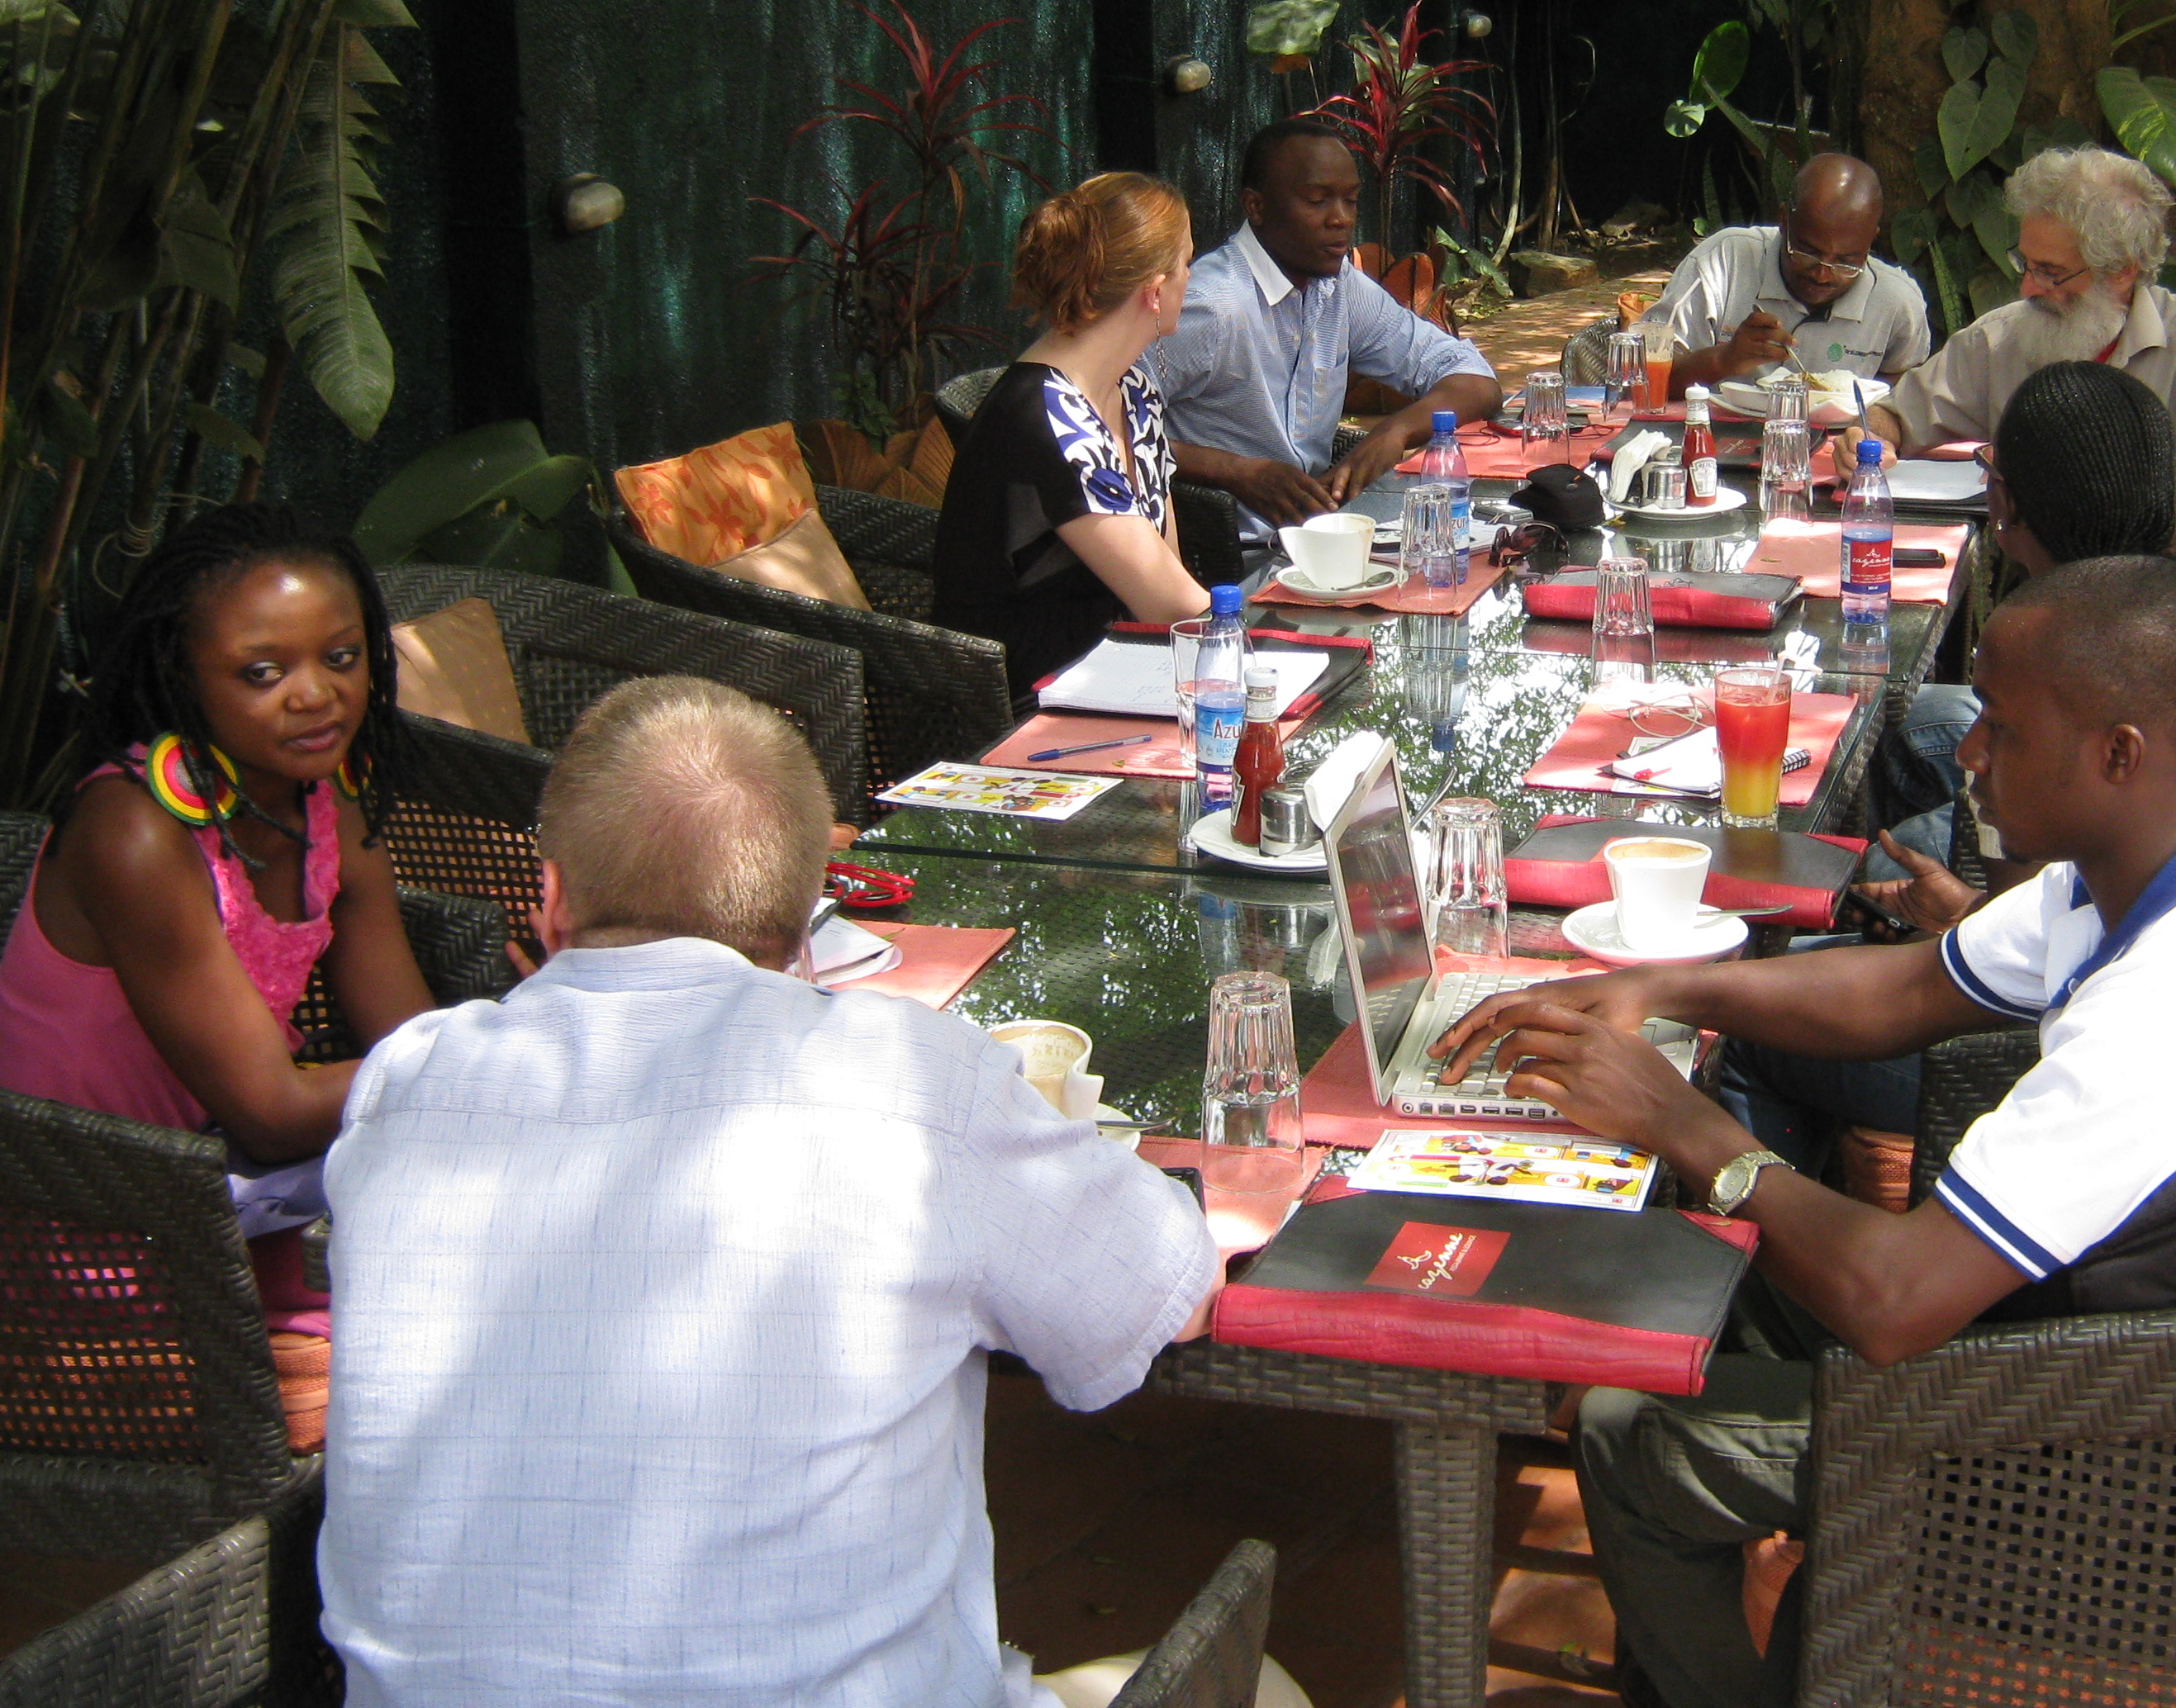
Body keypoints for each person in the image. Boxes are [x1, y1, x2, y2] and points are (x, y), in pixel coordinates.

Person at [1431, 561, 2176, 1708]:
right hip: (2142, 1321)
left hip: (2171, 1452)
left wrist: (1674, 1116)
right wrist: (1658, 988)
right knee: (1703, 1277)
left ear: (2119, 753)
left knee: (1631, 1435)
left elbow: (1892, 1302)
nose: (1970, 753)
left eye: (2003, 727)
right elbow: (1908, 989)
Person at [320, 676, 1219, 1707]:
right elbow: (1163, 1292)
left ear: (553, 897)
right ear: (806, 933)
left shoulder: (406, 1082)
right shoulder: (910, 1080)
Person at [0, 505, 434, 1440]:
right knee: (449, 1367)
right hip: (91, 1243)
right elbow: (275, 1107)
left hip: (239, 1212)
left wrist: (468, 1057)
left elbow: (407, 1042)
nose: (315, 695)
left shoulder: (331, 805)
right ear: (181, 676)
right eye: (262, 672)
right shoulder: (134, 833)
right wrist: (486, 1049)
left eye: (342, 657)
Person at [1859, 361, 2176, 934]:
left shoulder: (2039, 665)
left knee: (1879, 863)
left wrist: (1960, 915)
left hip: (2128, 938)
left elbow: (2022, 937)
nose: (1977, 750)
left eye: (1989, 469)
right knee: (1910, 722)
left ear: (2006, 503)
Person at [1148, 116, 1501, 531]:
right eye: (1317, 201)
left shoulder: (1339, 288)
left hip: (1321, 536)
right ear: (1255, 206)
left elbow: (1476, 380)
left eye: (1350, 200)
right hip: (1225, 550)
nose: (1342, 219)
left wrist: (1396, 431)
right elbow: (1100, 431)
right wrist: (1231, 471)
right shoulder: (1211, 306)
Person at [936, 171, 1209, 693]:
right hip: (1027, 701)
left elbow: (1168, 579)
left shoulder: (1132, 391)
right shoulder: (1047, 418)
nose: (1190, 278)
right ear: (1155, 292)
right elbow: (1171, 606)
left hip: (1118, 672)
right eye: (1186, 264)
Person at [1860, 148, 2176, 471]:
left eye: (2051, 273)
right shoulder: (2001, 338)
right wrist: (1871, 438)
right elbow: (1896, 415)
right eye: (2025, 264)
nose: (2027, 288)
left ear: (2122, 271)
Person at [1561, 154, 1932, 393]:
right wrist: (1724, 359)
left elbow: (1907, 387)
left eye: (1847, 262)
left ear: (1871, 241)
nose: (1823, 274)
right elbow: (1642, 383)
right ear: (1785, 221)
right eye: (1807, 253)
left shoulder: (1896, 301)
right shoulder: (1726, 260)